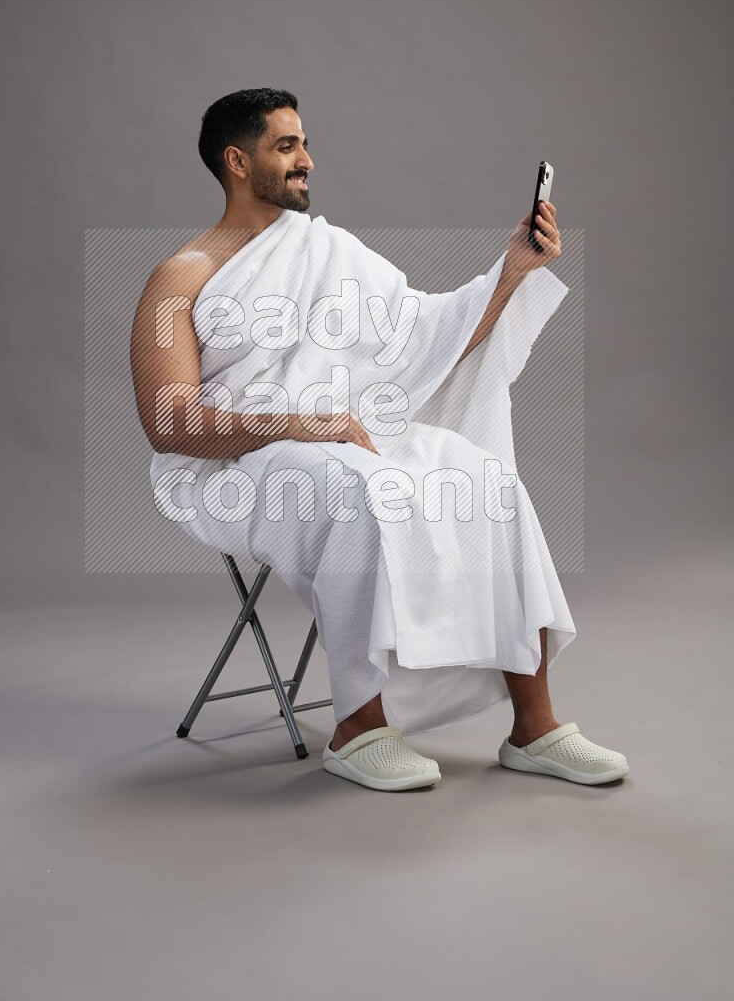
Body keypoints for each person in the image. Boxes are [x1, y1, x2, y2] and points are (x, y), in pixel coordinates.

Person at [130, 87, 629, 792]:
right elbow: (169, 421)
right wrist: (301, 424)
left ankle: (534, 728)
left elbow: (430, 335)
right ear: (237, 162)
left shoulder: (327, 250)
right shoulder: (178, 279)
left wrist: (514, 268)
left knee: (483, 478)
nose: (307, 160)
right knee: (355, 492)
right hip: (237, 461)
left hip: (346, 434)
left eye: (304, 144)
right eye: (286, 146)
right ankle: (358, 729)